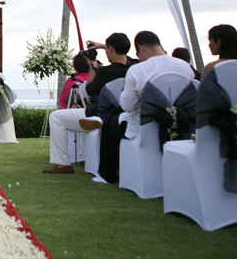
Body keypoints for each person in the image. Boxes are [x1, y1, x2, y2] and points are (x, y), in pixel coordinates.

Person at [43, 33, 132, 176]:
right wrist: (104, 46)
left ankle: (63, 163)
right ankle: (83, 155)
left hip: (100, 113)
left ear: (111, 49)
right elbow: (124, 55)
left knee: (55, 117)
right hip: (125, 114)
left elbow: (90, 90)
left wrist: (92, 67)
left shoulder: (105, 72)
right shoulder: (135, 66)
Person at [120, 31, 196, 141]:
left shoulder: (136, 70)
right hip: (183, 129)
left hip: (145, 134)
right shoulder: (185, 66)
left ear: (141, 48)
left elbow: (128, 107)